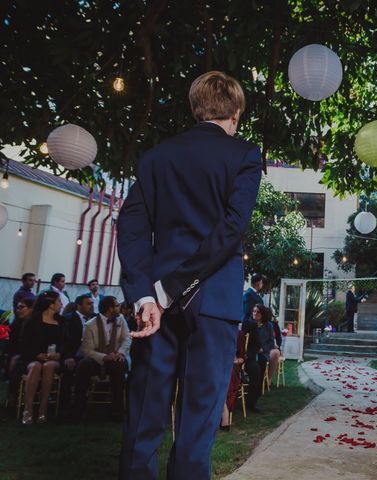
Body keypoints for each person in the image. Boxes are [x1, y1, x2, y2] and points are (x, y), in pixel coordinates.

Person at [117, 71, 261, 479]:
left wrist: (147, 295)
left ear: (197, 109)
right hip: (213, 301)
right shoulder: (245, 154)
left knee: (145, 411)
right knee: (199, 418)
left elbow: (129, 230)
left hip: (153, 305)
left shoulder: (156, 157)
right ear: (235, 113)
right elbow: (232, 228)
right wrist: (166, 292)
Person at [74, 296, 131, 420]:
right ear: (110, 308)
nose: (119, 308)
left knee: (118, 367)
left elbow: (127, 339)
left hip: (117, 357)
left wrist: (120, 353)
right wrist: (105, 357)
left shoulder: (121, 320)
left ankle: (117, 411)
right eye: (116, 306)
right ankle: (79, 409)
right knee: (83, 365)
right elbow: (88, 350)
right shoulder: (90, 325)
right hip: (98, 358)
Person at [18, 290, 66, 424]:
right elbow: (23, 343)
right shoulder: (33, 320)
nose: (61, 305)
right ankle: (28, 410)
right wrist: (36, 355)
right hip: (32, 357)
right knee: (36, 366)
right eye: (59, 302)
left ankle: (42, 409)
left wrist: (59, 354)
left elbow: (66, 342)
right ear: (51, 304)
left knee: (48, 366)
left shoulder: (61, 321)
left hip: (53, 358)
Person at [60, 294, 95, 414]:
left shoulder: (96, 319)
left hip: (90, 355)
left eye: (92, 303)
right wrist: (68, 356)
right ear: (79, 305)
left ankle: (83, 403)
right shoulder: (68, 319)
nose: (92, 306)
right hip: (73, 354)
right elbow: (63, 340)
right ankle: (65, 405)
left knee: (87, 367)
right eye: (88, 304)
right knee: (68, 368)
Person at [6, 298, 34, 407]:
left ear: (31, 309)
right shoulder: (17, 323)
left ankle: (15, 396)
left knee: (15, 362)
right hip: (16, 354)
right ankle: (12, 395)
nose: (18, 310)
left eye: (22, 307)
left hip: (30, 355)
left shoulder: (34, 325)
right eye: (17, 307)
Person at [220, 328, 247, 431]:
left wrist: (236, 360)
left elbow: (242, 358)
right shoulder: (214, 330)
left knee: (229, 374)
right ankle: (224, 411)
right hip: (214, 363)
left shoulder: (238, 334)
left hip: (231, 365)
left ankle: (223, 412)